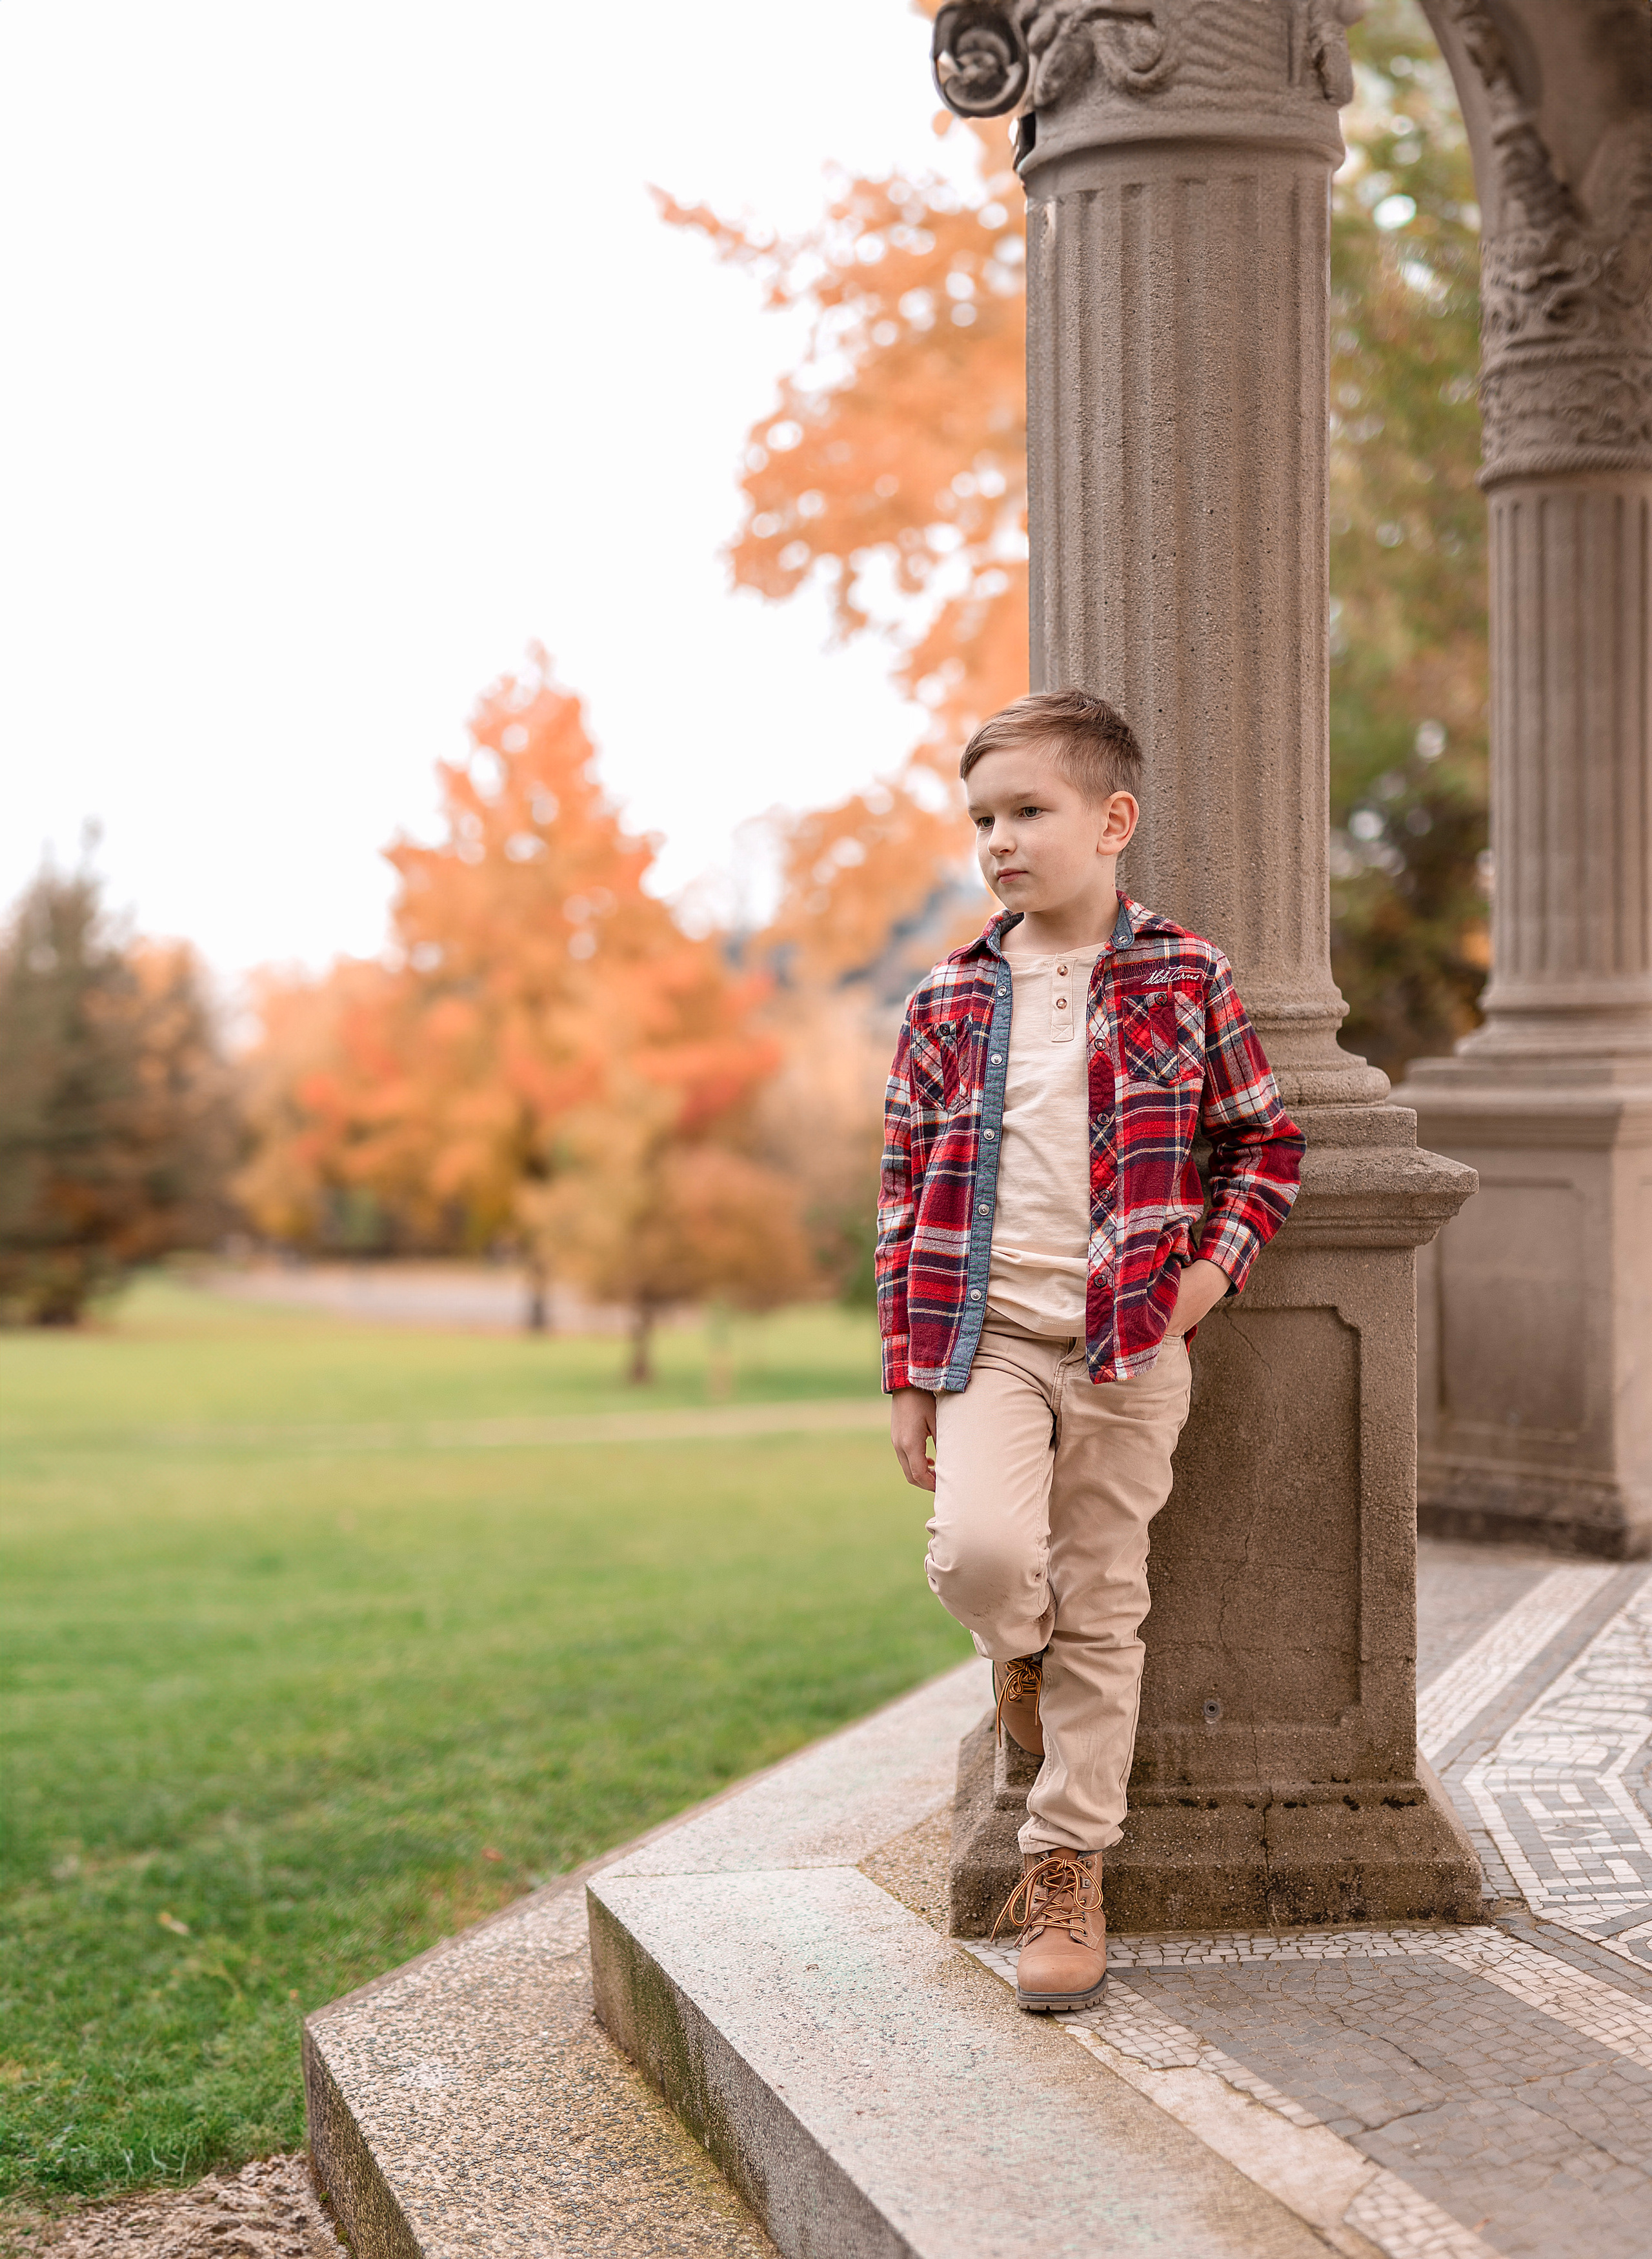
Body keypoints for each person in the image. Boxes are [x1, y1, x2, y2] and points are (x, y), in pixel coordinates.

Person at [878, 688, 1304, 2011]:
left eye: (1026, 811)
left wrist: (1201, 1278)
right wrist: (905, 1369)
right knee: (982, 1555)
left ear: (1110, 819)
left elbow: (1263, 1144)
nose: (998, 840)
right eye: (980, 819)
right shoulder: (943, 998)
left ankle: (1064, 1862)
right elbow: (900, 1191)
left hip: (1129, 1343)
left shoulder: (1185, 974)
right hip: (990, 1338)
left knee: (1105, 1597)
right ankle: (1017, 1648)